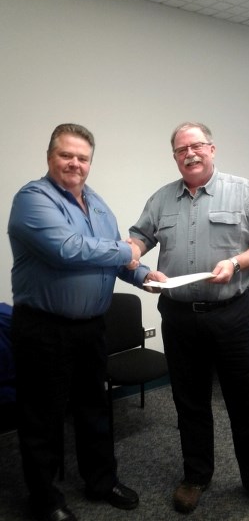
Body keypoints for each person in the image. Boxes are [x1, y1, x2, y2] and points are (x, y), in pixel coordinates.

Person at [130, 122, 249, 520]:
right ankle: (196, 476)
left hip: (233, 315)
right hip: (180, 318)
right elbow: (138, 238)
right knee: (189, 402)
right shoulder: (161, 199)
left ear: (212, 149)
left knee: (244, 401)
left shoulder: (244, 191)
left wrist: (236, 263)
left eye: (197, 145)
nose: (190, 153)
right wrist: (134, 259)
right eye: (182, 149)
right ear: (175, 157)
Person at [8, 123, 166, 521]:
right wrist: (125, 249)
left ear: (90, 163)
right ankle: (45, 500)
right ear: (50, 157)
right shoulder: (32, 199)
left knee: (96, 407)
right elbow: (67, 249)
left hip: (93, 327)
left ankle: (101, 480)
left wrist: (142, 274)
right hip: (44, 329)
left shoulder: (97, 204)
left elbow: (114, 259)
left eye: (82, 157)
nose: (74, 163)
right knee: (43, 418)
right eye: (66, 155)